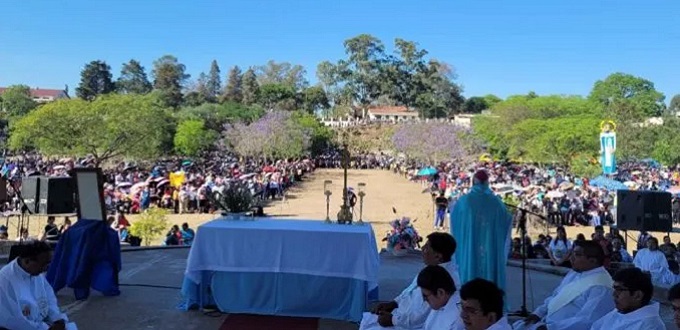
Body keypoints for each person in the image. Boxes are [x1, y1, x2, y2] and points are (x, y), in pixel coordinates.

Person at [360, 232, 461, 330]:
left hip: (409, 324)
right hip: (402, 315)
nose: (422, 249)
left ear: (438, 256)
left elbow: (422, 316)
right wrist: (393, 303)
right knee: (368, 320)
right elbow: (409, 290)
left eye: (427, 248)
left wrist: (393, 320)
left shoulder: (443, 279)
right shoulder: (432, 268)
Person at [513, 240, 615, 330]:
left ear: (592, 260)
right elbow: (556, 296)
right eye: (572, 254)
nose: (571, 258)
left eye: (577, 255)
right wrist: (538, 313)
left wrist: (550, 327)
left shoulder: (601, 287)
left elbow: (588, 320)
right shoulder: (575, 273)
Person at [450, 170, 512, 292]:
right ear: (487, 182)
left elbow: (453, 218)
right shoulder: (496, 202)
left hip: (470, 248)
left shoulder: (464, 201)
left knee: (470, 266)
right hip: (490, 249)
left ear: (473, 182)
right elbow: (508, 219)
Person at [0, 240, 78, 329]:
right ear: (27, 261)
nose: (45, 269)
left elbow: (49, 299)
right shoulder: (5, 281)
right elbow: (13, 321)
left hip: (42, 323)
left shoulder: (36, 274)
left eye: (47, 265)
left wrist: (57, 319)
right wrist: (46, 328)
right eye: (43, 265)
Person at [590, 267, 664, 329]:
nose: (614, 294)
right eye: (614, 289)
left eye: (619, 290)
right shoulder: (618, 312)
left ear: (637, 295)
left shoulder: (651, 326)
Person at [416, 265, 462, 330]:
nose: (424, 300)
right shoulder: (441, 303)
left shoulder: (457, 320)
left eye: (425, 296)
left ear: (441, 293)